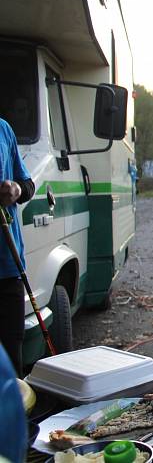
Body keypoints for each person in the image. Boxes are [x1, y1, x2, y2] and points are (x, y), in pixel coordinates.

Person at [0, 117, 35, 376]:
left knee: (12, 359)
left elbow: (29, 185)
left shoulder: (3, 128)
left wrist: (16, 190)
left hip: (8, 268)